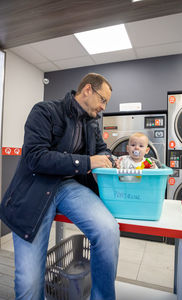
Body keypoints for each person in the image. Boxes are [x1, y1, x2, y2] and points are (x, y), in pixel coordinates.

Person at [0, 73, 120, 300]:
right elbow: (35, 157)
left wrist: (106, 157)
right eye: (102, 99)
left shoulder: (92, 124)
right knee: (29, 283)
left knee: (108, 231)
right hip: (35, 188)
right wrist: (86, 162)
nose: (104, 107)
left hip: (68, 186)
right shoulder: (45, 111)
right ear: (87, 90)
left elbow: (103, 149)